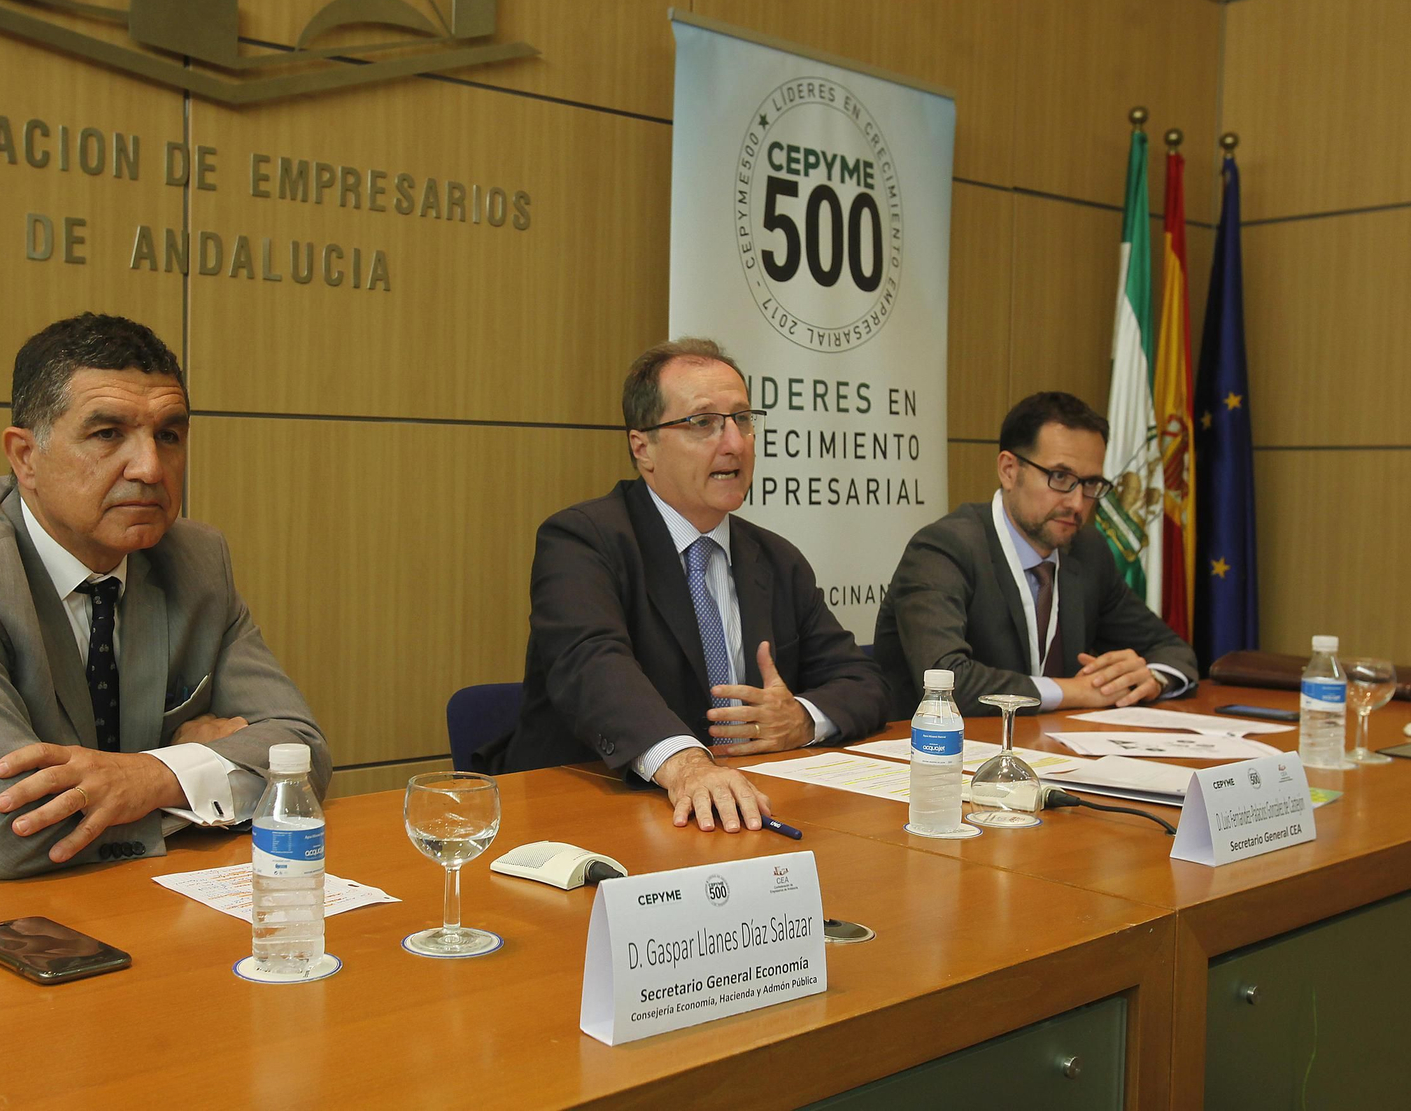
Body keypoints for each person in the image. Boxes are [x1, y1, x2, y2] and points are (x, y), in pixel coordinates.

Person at [0, 313, 330, 879]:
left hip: (120, 901)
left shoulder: (197, 560)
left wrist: (145, 779)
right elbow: (3, 835)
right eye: (107, 434)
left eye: (169, 435)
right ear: (25, 458)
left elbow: (303, 760)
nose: (150, 467)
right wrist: (186, 772)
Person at [499, 338, 888, 832]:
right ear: (643, 448)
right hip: (594, 818)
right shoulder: (583, 540)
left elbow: (863, 680)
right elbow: (592, 665)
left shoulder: (776, 558)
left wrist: (802, 719)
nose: (734, 443)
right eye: (703, 423)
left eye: (742, 419)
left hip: (745, 816)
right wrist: (686, 764)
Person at [873, 391, 1198, 717]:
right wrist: (1075, 690)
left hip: (1052, 751)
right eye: (1061, 477)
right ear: (1009, 470)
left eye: (1090, 484)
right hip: (938, 756)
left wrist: (1150, 678)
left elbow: (1172, 650)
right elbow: (946, 683)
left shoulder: (1088, 551)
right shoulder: (943, 549)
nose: (1076, 503)